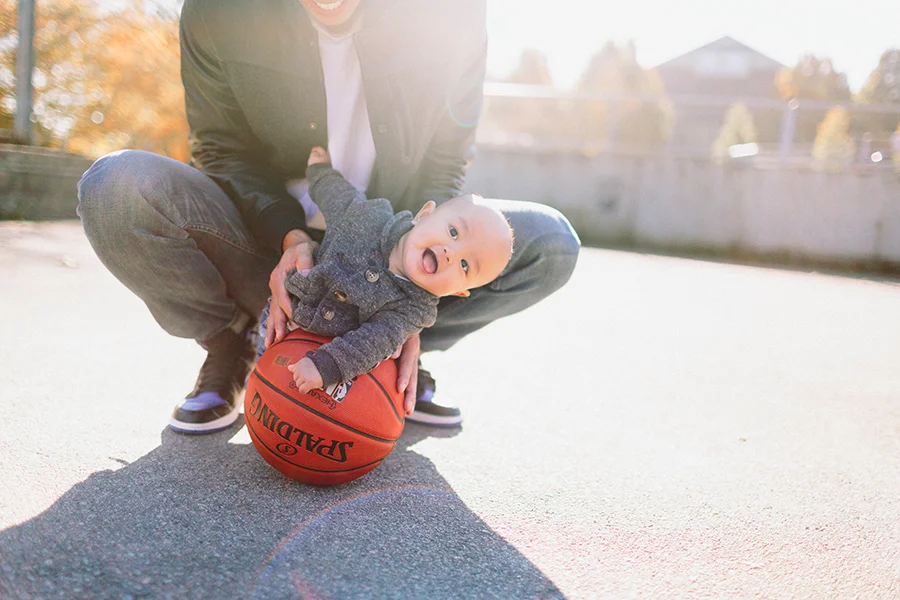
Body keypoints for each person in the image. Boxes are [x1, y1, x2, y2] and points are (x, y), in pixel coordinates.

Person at [76, 0, 580, 435]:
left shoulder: (450, 14)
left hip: (398, 264)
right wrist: (289, 236)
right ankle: (235, 341)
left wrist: (415, 289)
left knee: (551, 243)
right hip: (267, 245)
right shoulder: (219, 10)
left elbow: (446, 158)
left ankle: (388, 352)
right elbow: (222, 150)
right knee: (117, 188)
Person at [258, 146, 514, 400]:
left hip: (333, 350)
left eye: (466, 265)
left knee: (302, 404)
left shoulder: (414, 310)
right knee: (266, 376)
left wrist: (326, 367)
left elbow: (372, 343)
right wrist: (320, 171)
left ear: (456, 291)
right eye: (454, 232)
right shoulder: (368, 216)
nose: (451, 253)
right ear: (423, 215)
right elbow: (337, 196)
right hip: (287, 315)